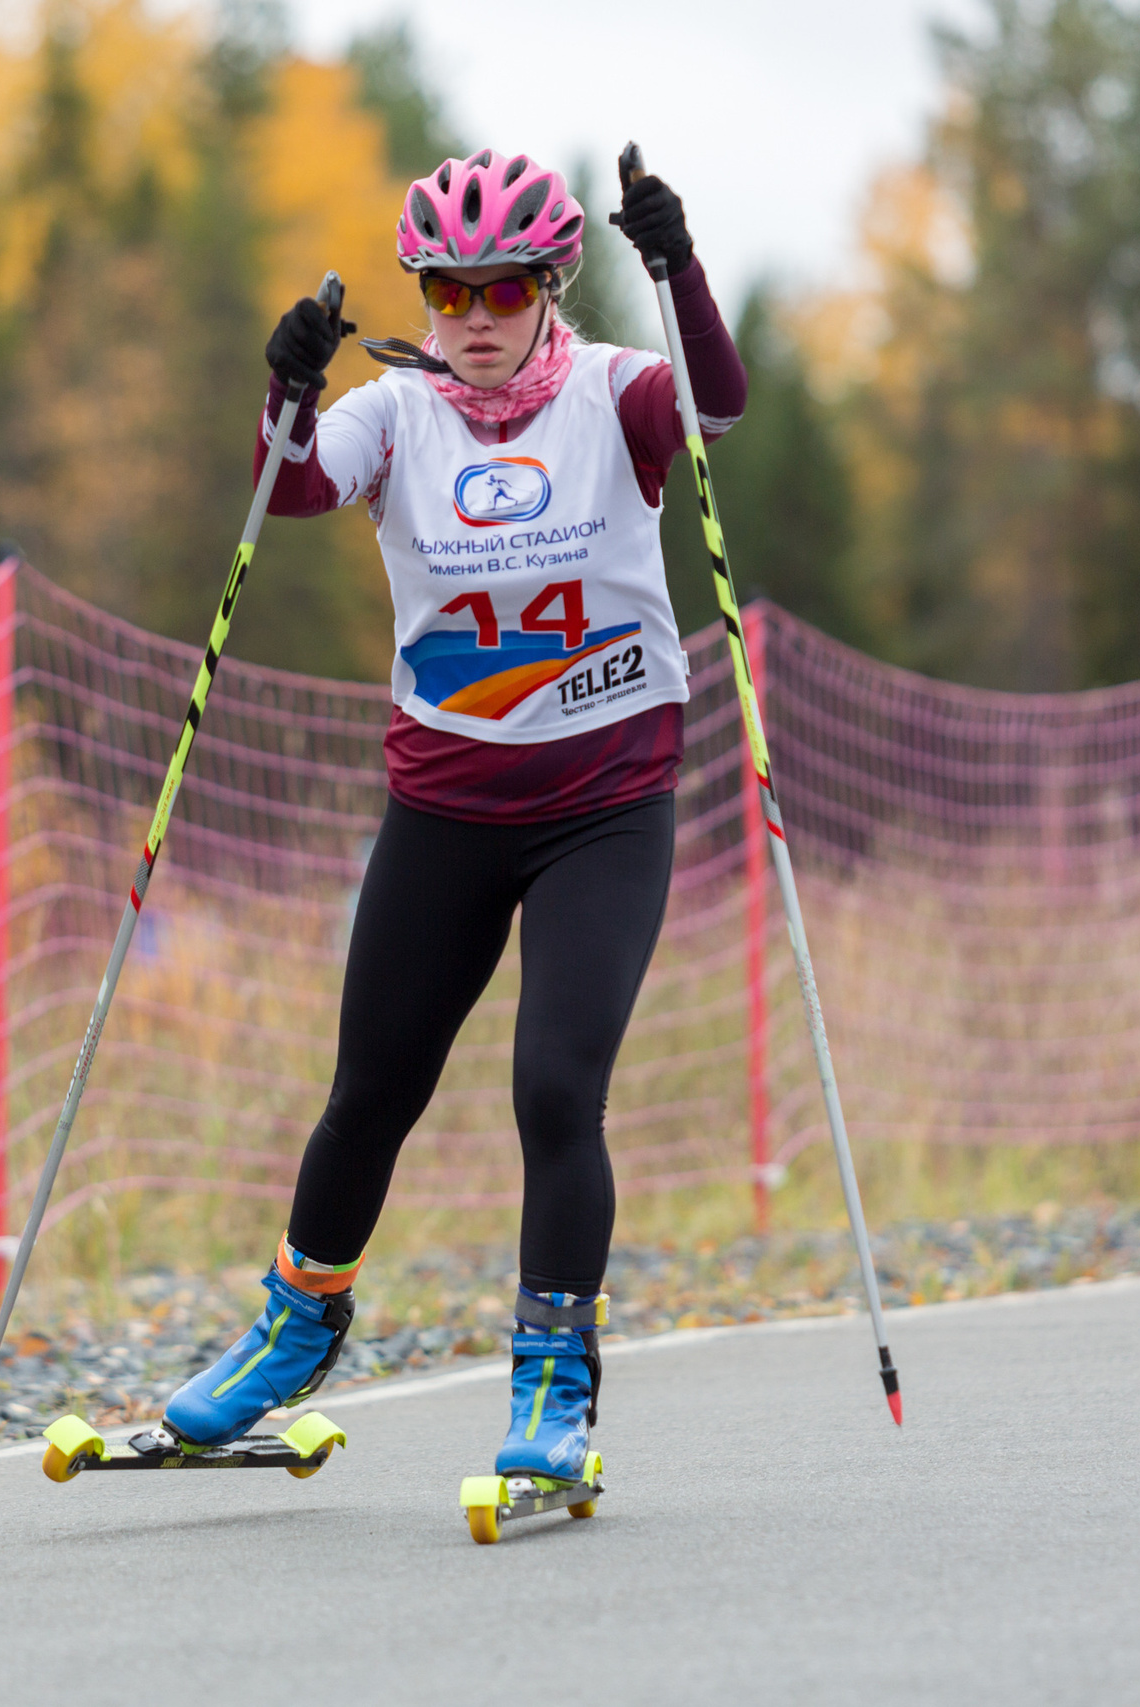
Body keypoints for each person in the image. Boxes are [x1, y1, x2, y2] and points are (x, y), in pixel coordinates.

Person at [153, 150, 748, 1485]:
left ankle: (555, 1380)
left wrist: (681, 266)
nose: (475, 317)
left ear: (550, 287)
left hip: (604, 799)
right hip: (447, 803)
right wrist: (287, 382)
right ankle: (296, 1329)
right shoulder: (397, 413)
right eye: (449, 291)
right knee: (370, 1090)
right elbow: (292, 485)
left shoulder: (611, 395)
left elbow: (719, 404)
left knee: (556, 1090)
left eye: (503, 288)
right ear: (422, 295)